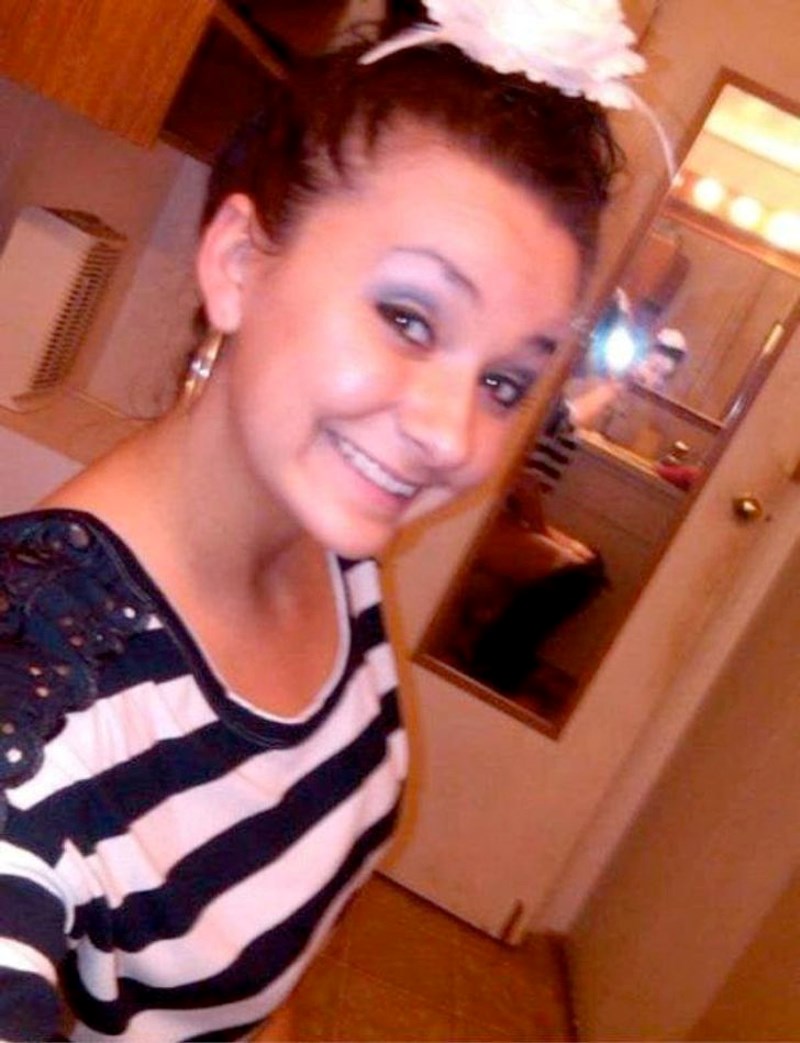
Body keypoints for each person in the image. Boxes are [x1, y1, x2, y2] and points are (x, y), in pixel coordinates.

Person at [0, 0, 644, 1037]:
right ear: (239, 263)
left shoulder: (331, 549)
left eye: (504, 380)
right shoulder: (33, 708)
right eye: (408, 316)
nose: (448, 433)